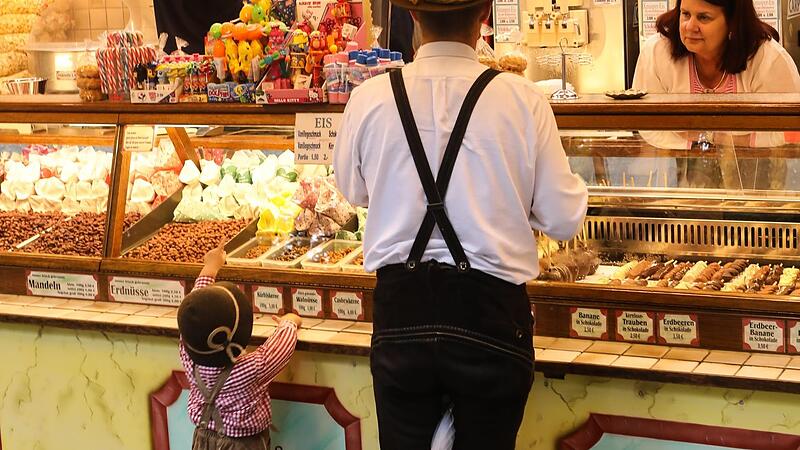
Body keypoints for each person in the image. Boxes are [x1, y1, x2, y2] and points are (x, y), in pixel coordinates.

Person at [333, 0, 588, 446]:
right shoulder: (523, 99)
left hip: (400, 313)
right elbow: (563, 220)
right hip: (491, 316)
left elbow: (354, 193)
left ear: (412, 16)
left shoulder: (368, 98)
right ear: (485, 16)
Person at [631, 0, 800, 188]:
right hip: (683, 180)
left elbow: (790, 131)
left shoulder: (768, 59)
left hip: (760, 178)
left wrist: (712, 137)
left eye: (703, 17)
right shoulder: (657, 53)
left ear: (733, 22)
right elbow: (648, 125)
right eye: (685, 14)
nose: (690, 26)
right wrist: (719, 139)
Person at [177, 243, 302, 450]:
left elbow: (194, 314)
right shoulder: (252, 367)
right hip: (243, 445)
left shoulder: (189, 356)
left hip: (203, 438)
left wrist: (209, 269)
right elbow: (282, 346)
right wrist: (289, 321)